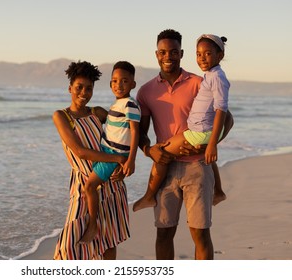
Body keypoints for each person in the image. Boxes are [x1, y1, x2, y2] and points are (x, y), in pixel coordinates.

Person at [135, 29, 234, 260]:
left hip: (197, 167)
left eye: (173, 52)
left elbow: (227, 118)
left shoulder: (200, 82)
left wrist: (209, 144)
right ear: (156, 54)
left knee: (200, 234)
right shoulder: (146, 91)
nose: (167, 56)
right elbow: (141, 133)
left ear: (181, 53)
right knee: (163, 234)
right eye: (162, 52)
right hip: (165, 170)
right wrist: (149, 151)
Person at [52, 60, 130, 260]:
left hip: (111, 184)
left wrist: (127, 161)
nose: (84, 93)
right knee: (68, 247)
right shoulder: (61, 116)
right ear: (70, 88)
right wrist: (118, 158)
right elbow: (80, 151)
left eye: (89, 88)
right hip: (83, 185)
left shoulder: (97, 113)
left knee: (109, 242)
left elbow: (126, 128)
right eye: (79, 87)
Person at [79, 61, 140, 244]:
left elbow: (135, 131)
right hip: (105, 150)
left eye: (124, 81)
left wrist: (131, 160)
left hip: (112, 154)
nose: (118, 85)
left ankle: (93, 225)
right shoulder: (117, 104)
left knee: (89, 186)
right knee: (93, 185)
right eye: (114, 81)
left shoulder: (130, 104)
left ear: (133, 84)